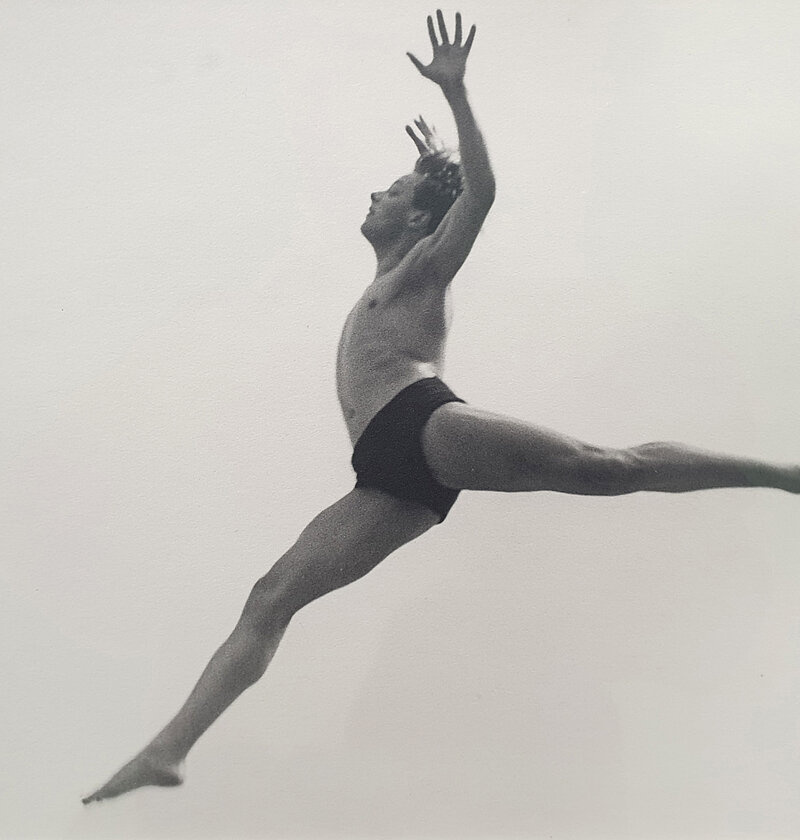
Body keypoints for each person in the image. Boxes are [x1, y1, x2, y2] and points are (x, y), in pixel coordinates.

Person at [82, 10, 799, 804]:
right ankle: (168, 749)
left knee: (607, 468)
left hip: (422, 422)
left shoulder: (424, 265)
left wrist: (457, 99)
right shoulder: (391, 269)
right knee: (272, 595)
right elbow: (451, 190)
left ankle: (783, 473)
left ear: (419, 218)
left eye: (390, 190)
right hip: (384, 481)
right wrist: (429, 166)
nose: (373, 193)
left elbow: (482, 194)